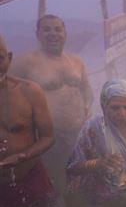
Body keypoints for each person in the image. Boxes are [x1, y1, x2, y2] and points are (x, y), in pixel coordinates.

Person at [10, 14, 93, 193]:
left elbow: (86, 89)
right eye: (46, 29)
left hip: (79, 131)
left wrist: (87, 106)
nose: (53, 33)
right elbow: (5, 91)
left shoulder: (76, 61)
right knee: (54, 181)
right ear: (37, 34)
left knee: (81, 177)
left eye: (57, 29)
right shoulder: (25, 62)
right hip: (50, 136)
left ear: (65, 33)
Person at [67, 79, 126, 198]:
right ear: (104, 107)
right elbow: (73, 168)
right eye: (115, 108)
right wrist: (99, 163)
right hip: (100, 195)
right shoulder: (93, 129)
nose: (122, 113)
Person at [0, 36, 56, 207]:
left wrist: (22, 156)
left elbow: (48, 137)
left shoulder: (29, 91)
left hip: (31, 175)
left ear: (9, 57)